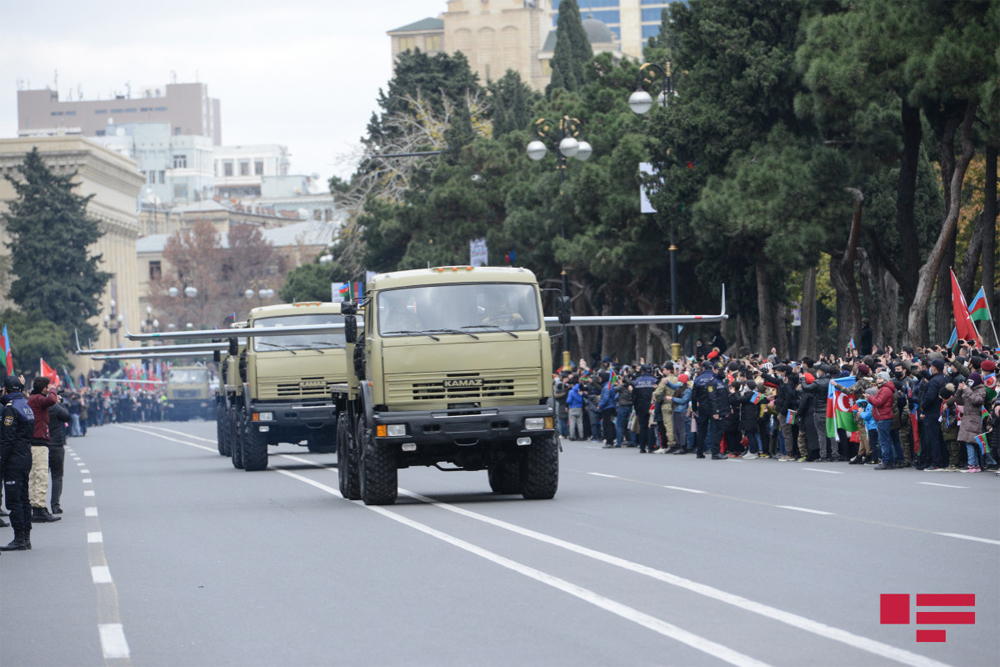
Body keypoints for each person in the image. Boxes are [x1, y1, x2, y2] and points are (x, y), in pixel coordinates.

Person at [1, 375, 34, 551]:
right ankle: (26, 537)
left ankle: (19, 538)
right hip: (25, 457)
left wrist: (1, 460)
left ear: (5, 389)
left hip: (13, 460)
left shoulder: (10, 409)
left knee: (14, 501)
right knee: (24, 498)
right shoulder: (25, 405)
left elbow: (8, 439)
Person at [27, 377, 60, 523]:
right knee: (41, 475)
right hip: (39, 443)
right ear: (44, 388)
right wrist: (53, 389)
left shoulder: (34, 398)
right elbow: (52, 400)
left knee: (35, 476)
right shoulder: (38, 398)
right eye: (47, 387)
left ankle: (36, 507)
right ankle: (39, 509)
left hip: (35, 442)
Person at [955, 372, 987, 473]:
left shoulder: (981, 390)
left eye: (971, 381)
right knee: (969, 442)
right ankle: (975, 464)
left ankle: (972, 464)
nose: (969, 383)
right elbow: (959, 401)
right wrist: (959, 390)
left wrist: (966, 389)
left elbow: (977, 400)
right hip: (966, 418)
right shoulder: (968, 389)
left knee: (970, 442)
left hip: (974, 419)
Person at [47, 392, 70, 515]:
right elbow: (66, 416)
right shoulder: (55, 406)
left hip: (41, 444)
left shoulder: (38, 404)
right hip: (56, 444)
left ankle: (38, 506)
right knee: (57, 476)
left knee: (40, 477)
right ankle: (55, 505)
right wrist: (60, 403)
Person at [566, 376, 585, 441]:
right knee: (580, 422)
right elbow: (582, 399)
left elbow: (569, 401)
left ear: (572, 384)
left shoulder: (571, 392)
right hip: (579, 407)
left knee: (572, 422)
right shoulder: (580, 391)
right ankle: (581, 436)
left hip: (572, 408)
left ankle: (572, 436)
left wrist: (567, 405)